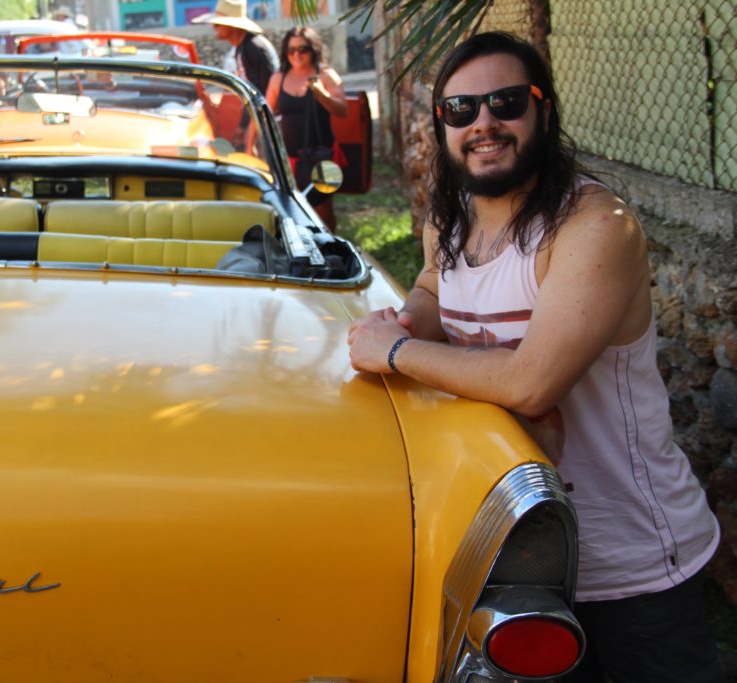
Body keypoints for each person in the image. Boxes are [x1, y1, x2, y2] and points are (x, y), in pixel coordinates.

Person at [348, 32, 722, 683]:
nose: (483, 124)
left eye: (505, 102)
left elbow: (531, 380)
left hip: (632, 563)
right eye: (460, 111)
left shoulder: (595, 226)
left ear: (543, 111)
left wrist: (401, 350)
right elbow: (438, 285)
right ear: (441, 127)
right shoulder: (454, 217)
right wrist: (407, 317)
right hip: (514, 557)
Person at [265, 27, 347, 230]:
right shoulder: (279, 78)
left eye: (303, 49)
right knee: (292, 210)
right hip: (290, 159)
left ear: (313, 49)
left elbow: (343, 110)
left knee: (323, 209)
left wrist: (321, 94)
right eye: (291, 50)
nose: (297, 55)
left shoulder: (326, 75)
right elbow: (265, 113)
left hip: (320, 155)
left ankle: (331, 247)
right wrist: (251, 145)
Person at [194, 0, 278, 97]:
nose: (214, 28)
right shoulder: (241, 47)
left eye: (217, 24)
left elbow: (271, 89)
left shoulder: (253, 46)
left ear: (232, 26)